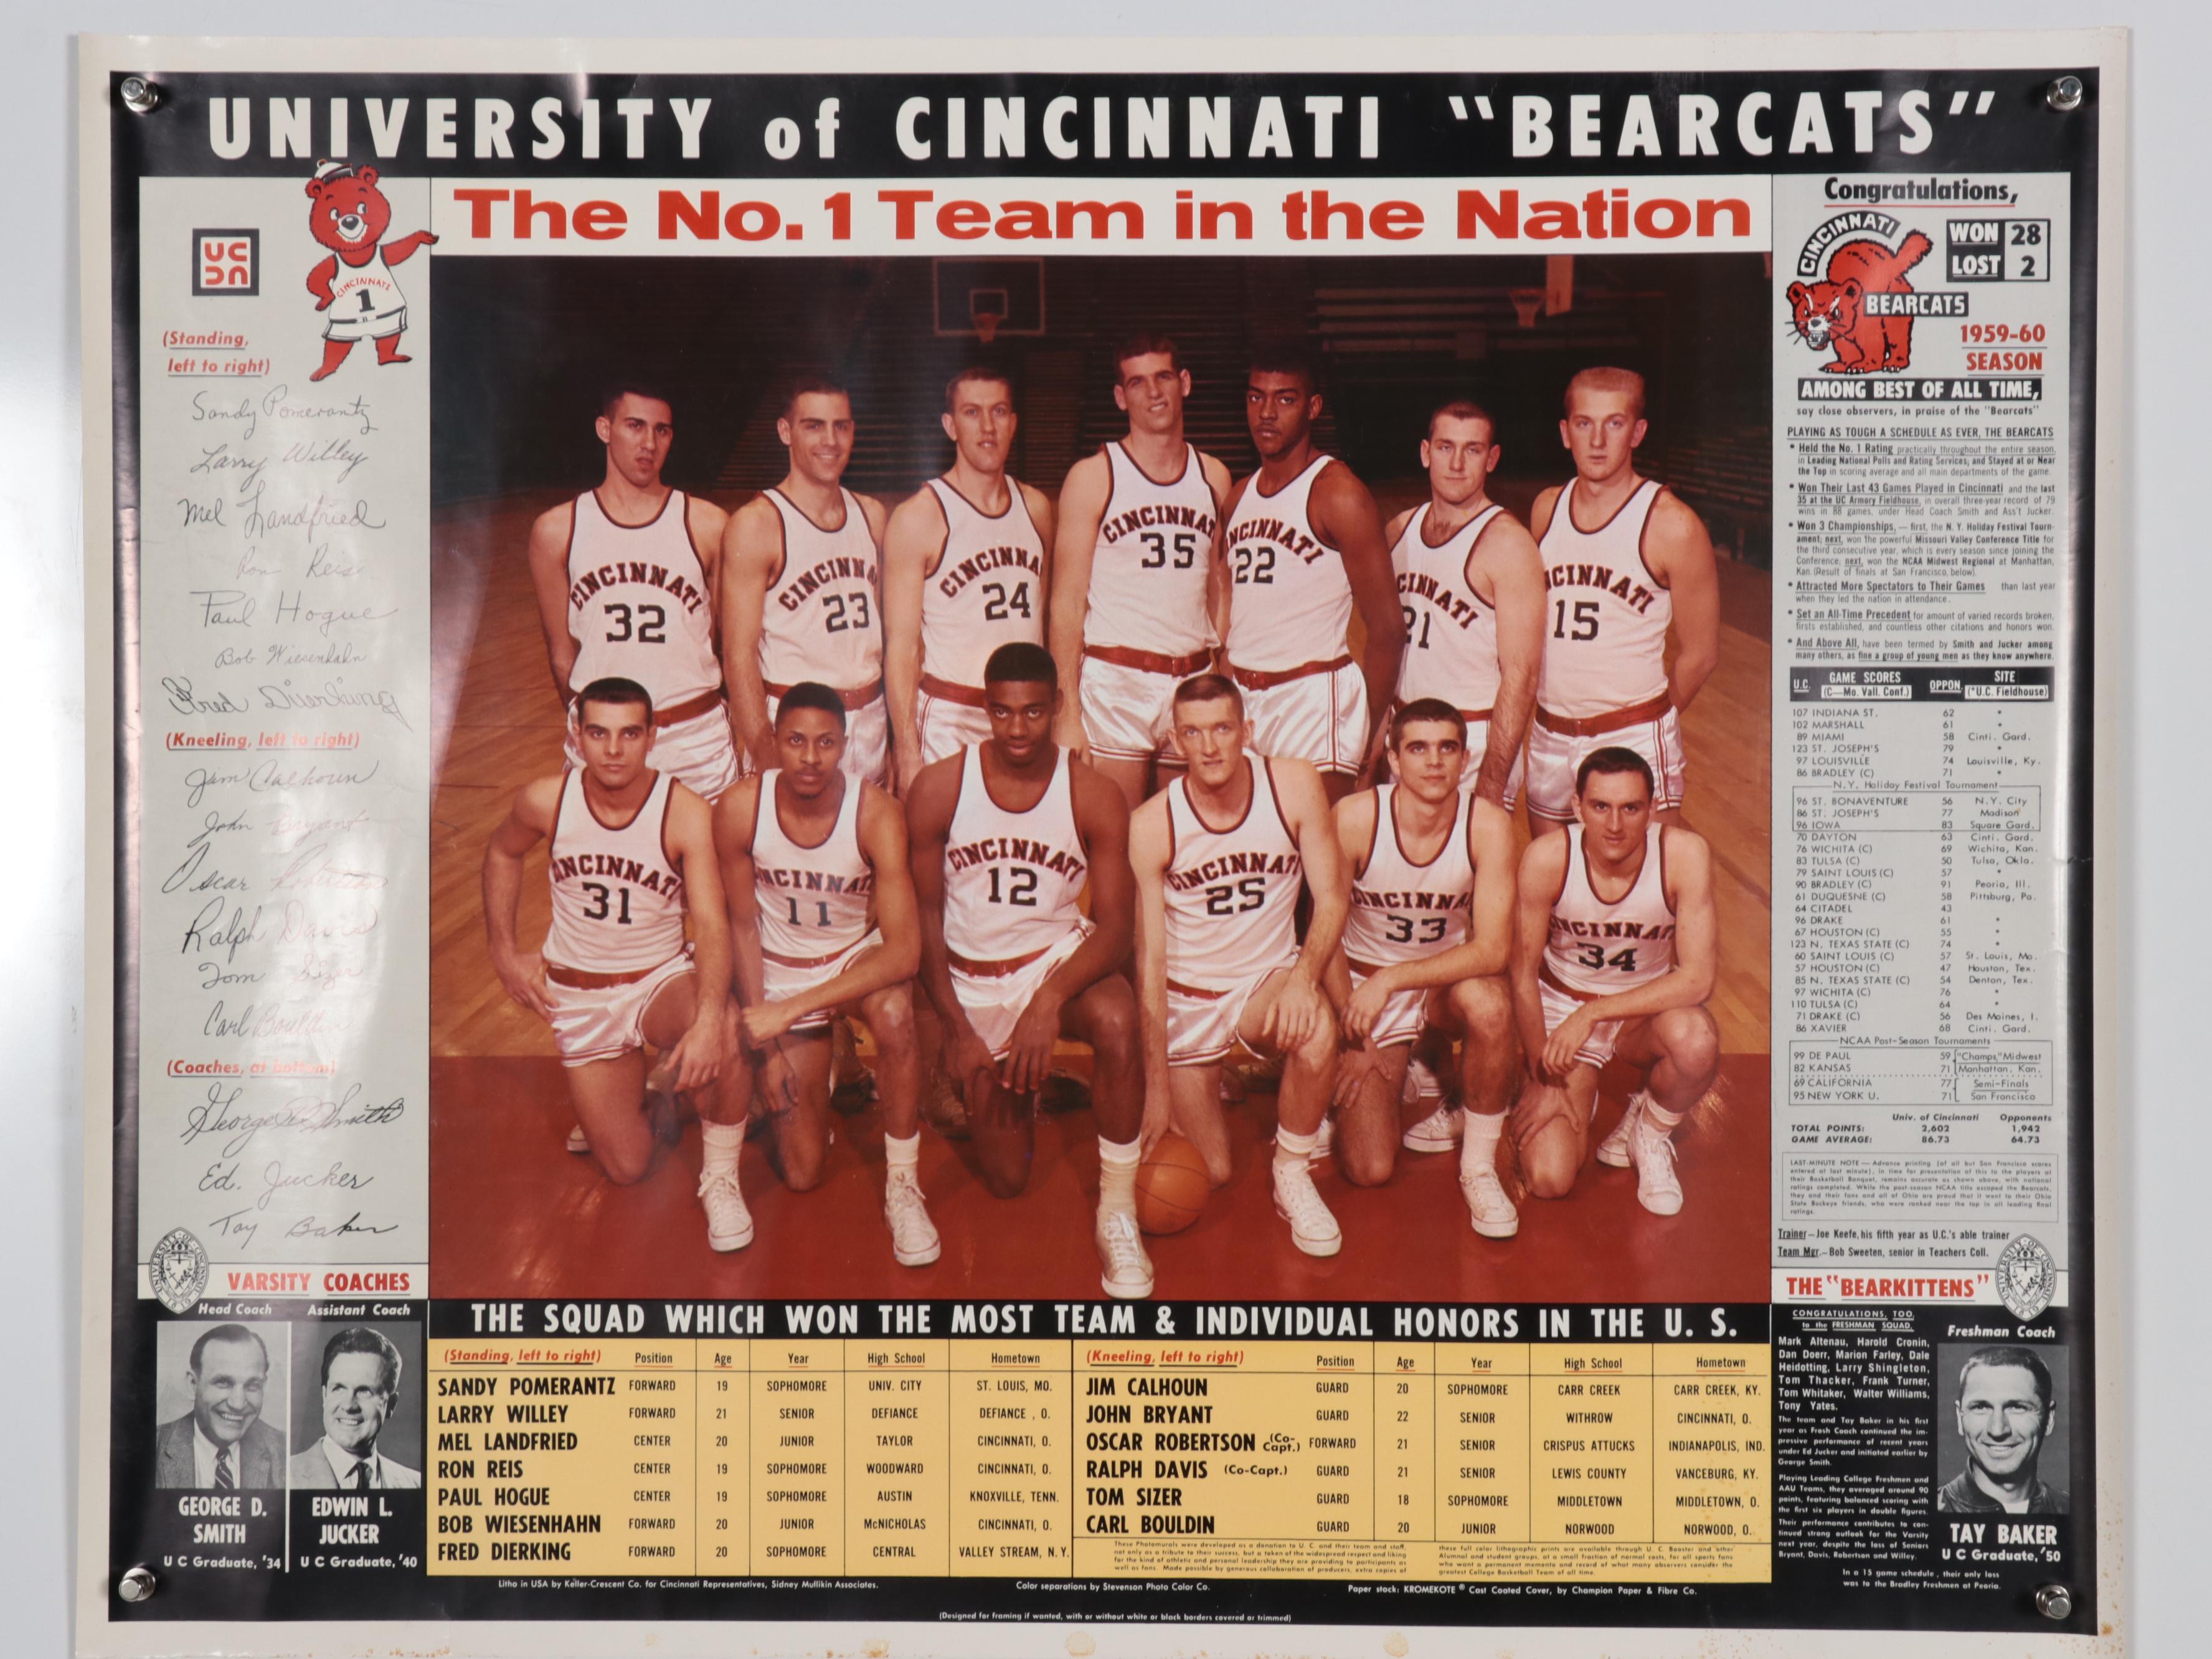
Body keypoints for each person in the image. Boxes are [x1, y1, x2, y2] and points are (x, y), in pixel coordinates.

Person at [906, 643, 1154, 1298]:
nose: (1018, 730)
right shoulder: (940, 787)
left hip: (1053, 964)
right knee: (1009, 1182)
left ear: (1057, 708)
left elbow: (1117, 929)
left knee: (1117, 1015)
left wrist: (1048, 1002)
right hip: (973, 982)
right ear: (986, 708)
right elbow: (923, 924)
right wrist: (956, 1030)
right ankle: (1002, 1076)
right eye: (1004, 713)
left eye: (1034, 713)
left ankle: (1118, 1209)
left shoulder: (1094, 794)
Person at [481, 678, 733, 1231]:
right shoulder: (546, 800)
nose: (614, 750)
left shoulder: (684, 811)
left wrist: (711, 1016)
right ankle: (652, 1090)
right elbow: (502, 852)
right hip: (582, 996)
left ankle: (722, 1178)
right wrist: (504, 953)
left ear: (652, 735)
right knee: (626, 1166)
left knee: (724, 1028)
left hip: (658, 981)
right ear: (578, 734)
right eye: (598, 733)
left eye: (629, 734)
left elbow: (713, 923)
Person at [714, 684, 937, 1266]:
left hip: (850, 963)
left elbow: (905, 953)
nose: (810, 758)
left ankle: (903, 1185)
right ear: (774, 740)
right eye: (795, 741)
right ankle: (818, 1083)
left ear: (846, 744)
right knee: (802, 1174)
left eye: (824, 743)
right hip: (781, 967)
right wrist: (769, 1051)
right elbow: (741, 928)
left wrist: (789, 1012)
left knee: (893, 1012)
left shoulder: (878, 814)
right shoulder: (741, 808)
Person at [1128, 674, 1348, 1255]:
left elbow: (1332, 897)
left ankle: (1292, 1172)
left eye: (1223, 728)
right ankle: (1202, 1080)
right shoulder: (1152, 823)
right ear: (1175, 742)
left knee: (1316, 1026)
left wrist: (1303, 979)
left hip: (1263, 984)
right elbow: (1148, 964)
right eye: (1194, 733)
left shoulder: (1294, 785)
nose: (1210, 747)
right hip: (1185, 1000)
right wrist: (1154, 1089)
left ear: (1247, 731)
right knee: (1212, 1171)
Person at [1323, 701, 1521, 1234]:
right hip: (1366, 989)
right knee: (1370, 1168)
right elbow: (1324, 939)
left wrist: (1396, 977)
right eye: (1417, 748)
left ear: (1465, 759)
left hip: (1436, 983)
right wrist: (1353, 1031)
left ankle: (1478, 1165)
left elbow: (1493, 950)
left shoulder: (1489, 826)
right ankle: (1389, 1072)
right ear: (1392, 758)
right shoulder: (1356, 818)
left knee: (1490, 1002)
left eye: (1446, 748)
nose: (1434, 762)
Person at [1508, 747, 1719, 1214]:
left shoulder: (1683, 854)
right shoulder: (1548, 857)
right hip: (1563, 1011)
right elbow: (1520, 974)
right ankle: (1555, 1092)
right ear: (1577, 807)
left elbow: (1699, 980)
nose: (1615, 825)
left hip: (1637, 1015)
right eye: (1601, 807)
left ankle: (1650, 1130)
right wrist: (1542, 1074)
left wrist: (1597, 1012)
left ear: (1652, 808)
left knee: (1696, 1038)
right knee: (1549, 1177)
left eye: (1631, 808)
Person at [1526, 367, 1720, 831]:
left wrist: (1649, 724)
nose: (1597, 440)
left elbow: (1701, 654)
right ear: (1565, 432)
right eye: (1583, 423)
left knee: (1646, 893)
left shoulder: (1673, 524)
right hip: (1550, 734)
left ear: (1637, 433)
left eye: (1614, 424)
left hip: (1632, 733)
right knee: (1559, 890)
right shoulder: (1546, 509)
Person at [526, 379, 737, 803]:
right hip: (605, 746)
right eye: (635, 426)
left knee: (710, 869)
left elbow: (728, 646)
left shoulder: (708, 525)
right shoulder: (556, 531)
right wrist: (602, 724)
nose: (649, 443)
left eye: (661, 431)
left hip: (695, 742)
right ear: (605, 429)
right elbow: (562, 656)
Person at [1047, 333, 1233, 808]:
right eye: (1137, 382)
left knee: (1187, 841)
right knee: (1118, 841)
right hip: (1118, 682)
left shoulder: (1213, 475)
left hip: (1191, 679)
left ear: (1184, 382)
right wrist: (1066, 713)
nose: (1153, 393)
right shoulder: (1094, 476)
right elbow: (1067, 603)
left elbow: (1217, 586)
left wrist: (1222, 669)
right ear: (1119, 396)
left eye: (1164, 377)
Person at [1219, 347, 1404, 800]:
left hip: (1312, 702)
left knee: (1317, 861)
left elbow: (1387, 629)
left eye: (1285, 400)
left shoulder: (1338, 494)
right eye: (1255, 397)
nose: (1266, 413)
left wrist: (1366, 731)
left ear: (1313, 407)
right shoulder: (1238, 497)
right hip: (1246, 700)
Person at [884, 367, 1057, 792]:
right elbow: (903, 648)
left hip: (1024, 717)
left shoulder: (1035, 507)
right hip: (951, 716)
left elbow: (1046, 624)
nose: (987, 427)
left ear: (1014, 423)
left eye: (999, 412)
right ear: (950, 426)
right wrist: (906, 750)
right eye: (972, 412)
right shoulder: (919, 517)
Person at [722, 372, 892, 787]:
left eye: (841, 426)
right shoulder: (759, 523)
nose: (830, 440)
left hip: (869, 721)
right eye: (813, 426)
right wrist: (765, 752)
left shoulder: (872, 516)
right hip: (797, 731)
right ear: (785, 431)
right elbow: (738, 655)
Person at [1386, 398, 1546, 810]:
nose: (1457, 463)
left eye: (1472, 450)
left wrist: (1492, 786)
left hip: (1472, 741)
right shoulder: (1399, 531)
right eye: (1445, 447)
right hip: (1407, 736)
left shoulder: (1508, 543)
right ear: (1426, 453)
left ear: (1491, 459)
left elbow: (1522, 677)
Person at [286, 1327, 423, 1490]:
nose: (349, 1406)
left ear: (391, 1404)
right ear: (325, 1396)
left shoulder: (416, 1485)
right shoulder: (282, 1478)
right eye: (339, 1388)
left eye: (364, 1391)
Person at [1937, 1346, 2069, 1514]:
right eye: (1981, 1407)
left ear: (2049, 1418)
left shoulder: (2072, 1510)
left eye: (2017, 1407)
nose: (1998, 1430)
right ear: (1959, 1418)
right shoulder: (1927, 1512)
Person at [154, 1325, 284, 1489]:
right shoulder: (152, 1449)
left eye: (252, 1385)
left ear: (264, 1386)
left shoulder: (285, 1453)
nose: (238, 1404)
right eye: (224, 1382)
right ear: (193, 1385)